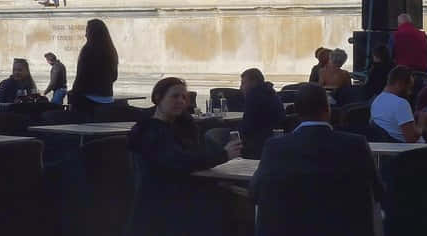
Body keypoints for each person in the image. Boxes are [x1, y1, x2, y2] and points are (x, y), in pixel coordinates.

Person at [251, 83, 384, 234]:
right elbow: (378, 191)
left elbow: (255, 191)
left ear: (297, 112)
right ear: (328, 110)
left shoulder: (274, 148)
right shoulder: (356, 145)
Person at [126, 77, 240, 236]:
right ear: (158, 98)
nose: (180, 101)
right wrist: (224, 155)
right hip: (162, 204)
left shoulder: (178, 129)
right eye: (175, 96)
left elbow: (195, 155)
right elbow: (179, 161)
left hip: (176, 197)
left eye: (184, 97)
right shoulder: (149, 131)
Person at [70, 18, 119, 115]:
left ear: (92, 33)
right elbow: (114, 77)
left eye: (87, 31)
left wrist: (73, 93)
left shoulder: (88, 49)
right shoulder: (111, 51)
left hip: (88, 100)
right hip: (108, 98)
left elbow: (81, 76)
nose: (85, 35)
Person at [239, 68, 285, 159]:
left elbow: (247, 126)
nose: (240, 87)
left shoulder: (253, 96)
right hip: (273, 139)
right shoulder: (271, 92)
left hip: (257, 144)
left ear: (253, 82)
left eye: (243, 83)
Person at [370, 66, 422, 143]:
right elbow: (411, 139)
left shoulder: (376, 101)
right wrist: (422, 123)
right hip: (410, 150)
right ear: (400, 84)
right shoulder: (401, 103)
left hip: (387, 147)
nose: (410, 92)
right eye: (409, 87)